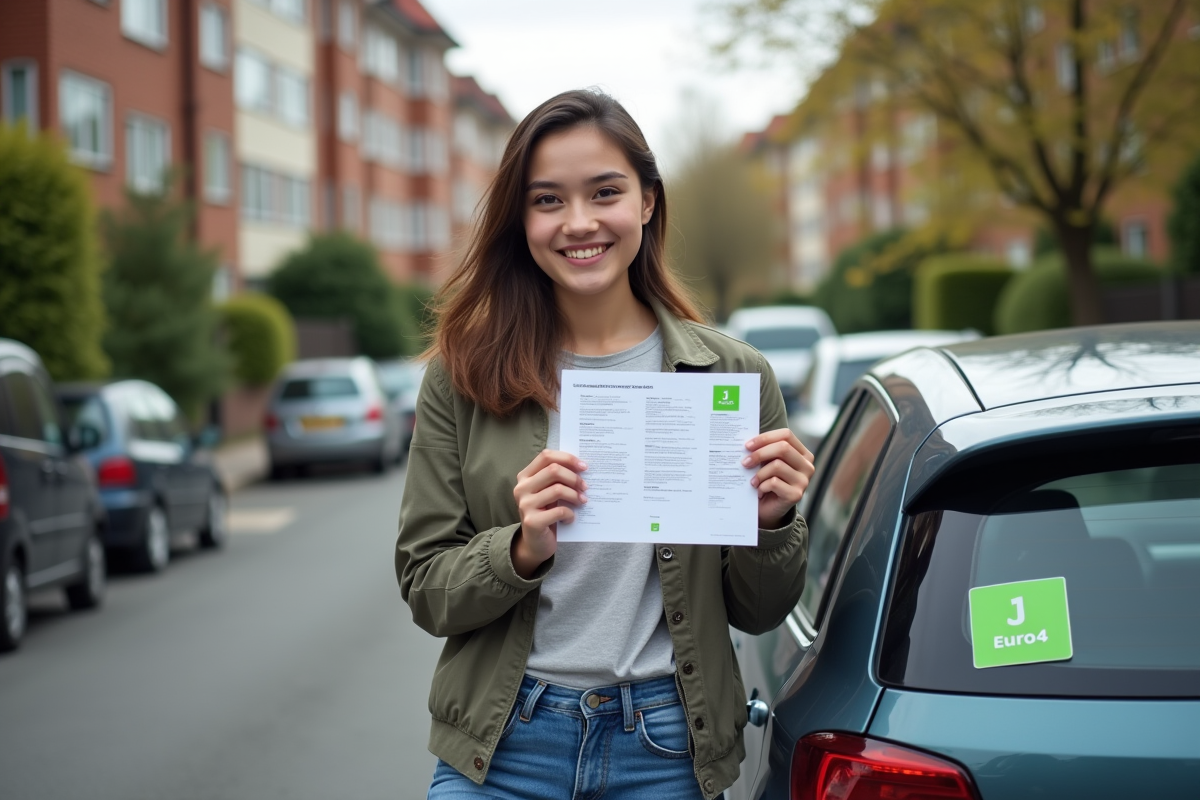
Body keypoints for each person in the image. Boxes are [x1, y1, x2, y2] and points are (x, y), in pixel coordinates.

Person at [396, 89, 814, 800]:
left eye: (605, 193)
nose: (579, 222)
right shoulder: (463, 377)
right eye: (548, 200)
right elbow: (426, 588)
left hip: (664, 744)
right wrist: (521, 548)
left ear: (647, 202)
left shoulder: (734, 375)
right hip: (504, 747)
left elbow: (758, 611)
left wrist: (771, 524)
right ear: (521, 219)